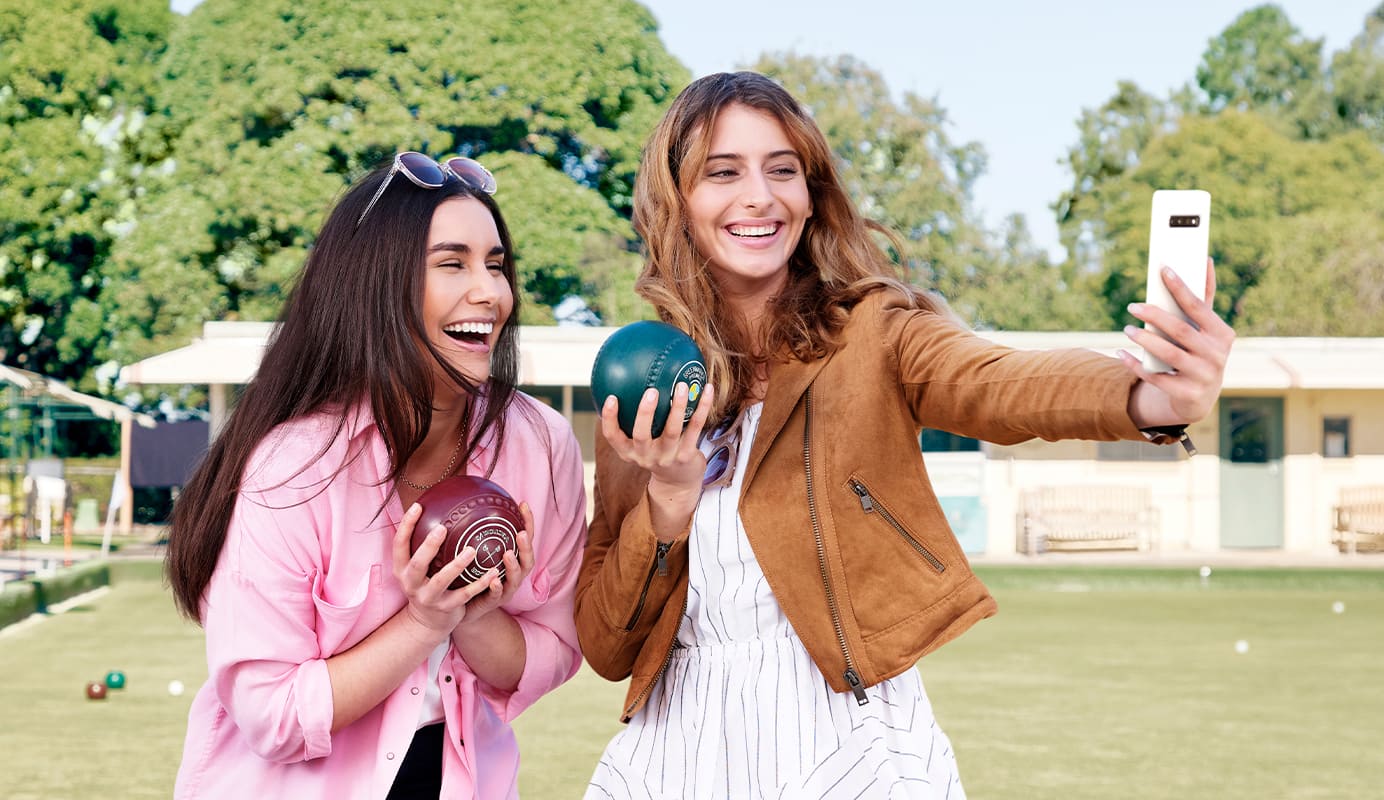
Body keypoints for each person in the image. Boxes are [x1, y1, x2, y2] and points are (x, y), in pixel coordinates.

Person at [574, 71, 1233, 799]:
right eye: (722, 172)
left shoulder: (873, 332)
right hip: (677, 752)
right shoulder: (644, 389)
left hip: (845, 743)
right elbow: (607, 646)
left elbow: (999, 382)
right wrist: (668, 503)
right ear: (677, 201)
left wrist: (1147, 395)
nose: (759, 196)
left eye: (782, 170)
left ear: (811, 192)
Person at [165, 152, 588, 799]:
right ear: (378, 284)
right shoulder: (295, 465)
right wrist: (423, 621)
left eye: (496, 265)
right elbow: (271, 714)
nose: (491, 292)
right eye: (453, 263)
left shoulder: (538, 442)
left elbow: (552, 651)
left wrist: (469, 612)